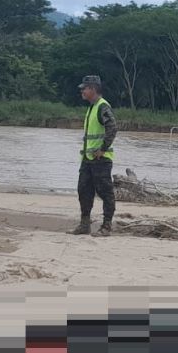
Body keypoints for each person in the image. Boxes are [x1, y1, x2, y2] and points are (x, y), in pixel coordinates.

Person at [70, 75, 118, 237]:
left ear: (93, 89)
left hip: (100, 159)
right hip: (87, 159)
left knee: (105, 192)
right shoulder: (92, 107)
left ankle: (106, 227)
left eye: (84, 88)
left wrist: (103, 149)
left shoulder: (102, 106)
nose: (82, 91)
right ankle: (85, 225)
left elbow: (112, 128)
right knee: (84, 191)